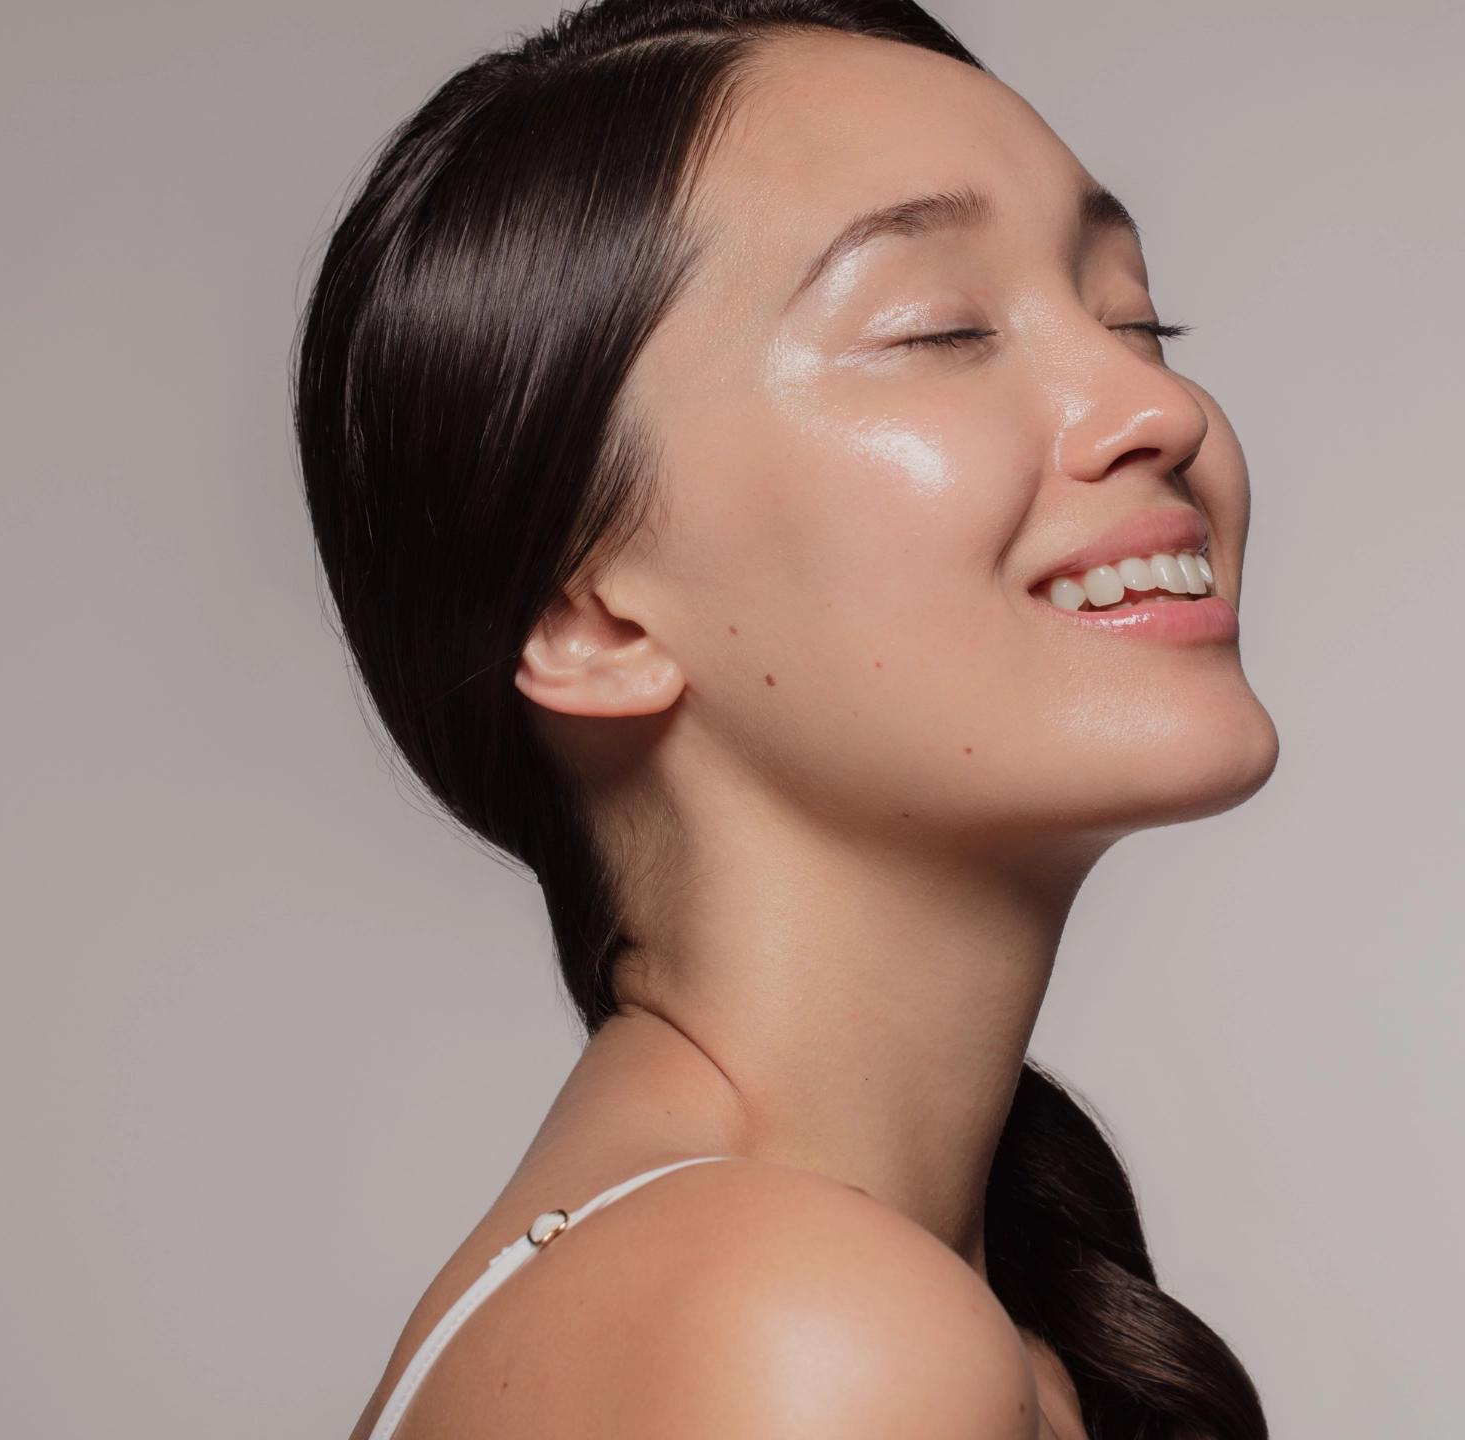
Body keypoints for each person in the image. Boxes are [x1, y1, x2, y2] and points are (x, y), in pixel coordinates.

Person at [292, 2, 1280, 1435]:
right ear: (590, 615)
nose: (1153, 403)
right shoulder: (795, 1332)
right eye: (941, 327)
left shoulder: (805, 1292)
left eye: (1137, 317)